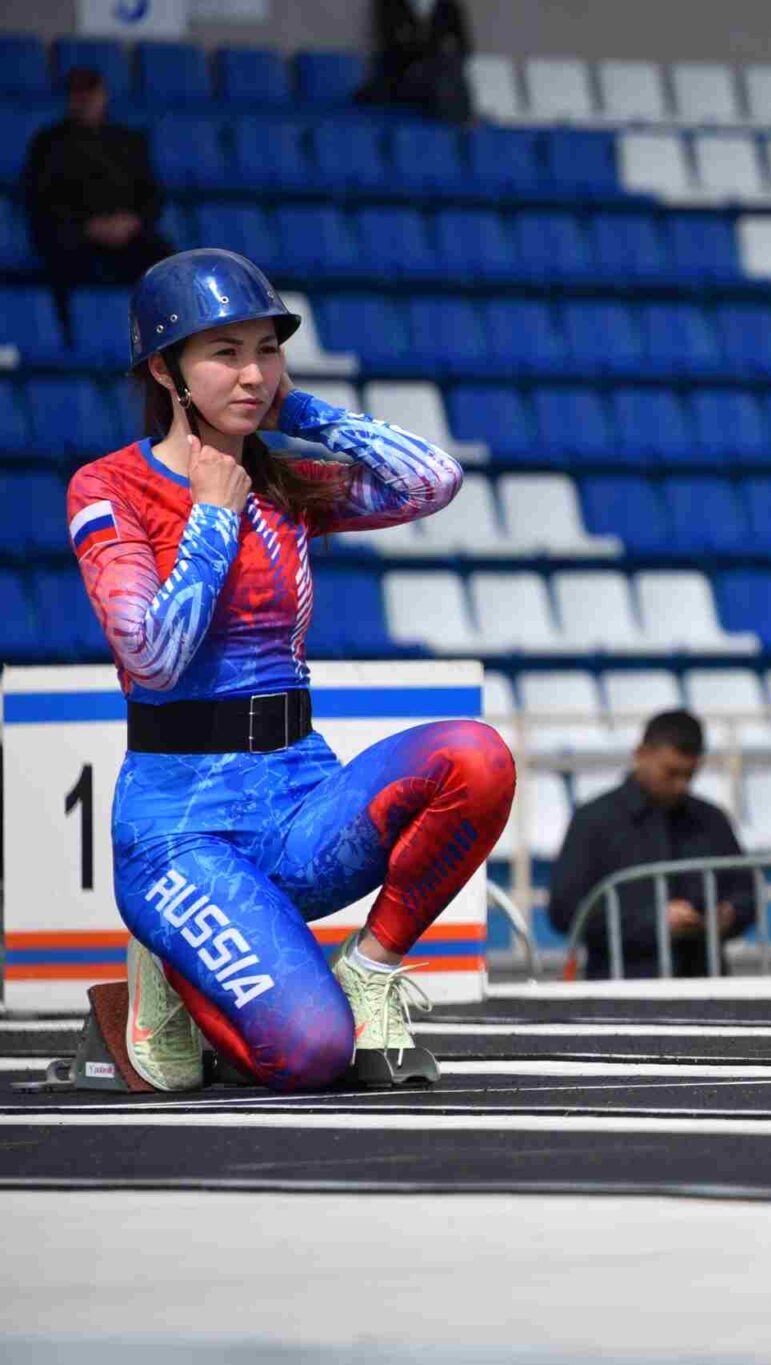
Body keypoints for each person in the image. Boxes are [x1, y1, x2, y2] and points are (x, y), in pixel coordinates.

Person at [72, 248, 513, 1093]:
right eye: (224, 353)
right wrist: (210, 517)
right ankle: (161, 966)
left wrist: (296, 408)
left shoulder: (286, 482)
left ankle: (369, 969)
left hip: (298, 801)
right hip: (181, 833)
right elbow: (151, 657)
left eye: (267, 350)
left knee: (478, 759)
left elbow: (434, 478)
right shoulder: (110, 487)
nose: (252, 373)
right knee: (310, 1054)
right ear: (166, 369)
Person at [546, 710, 757, 979]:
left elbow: (746, 892)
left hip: (703, 987)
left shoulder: (711, 820)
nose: (681, 785)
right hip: (620, 992)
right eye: (671, 773)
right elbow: (565, 911)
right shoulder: (594, 820)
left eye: (690, 775)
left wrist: (728, 915)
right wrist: (653, 923)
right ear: (640, 755)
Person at [21, 68, 174, 290]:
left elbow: (151, 194)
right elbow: (40, 198)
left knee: (167, 266)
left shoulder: (129, 140)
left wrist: (131, 222)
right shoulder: (48, 143)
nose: (87, 100)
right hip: (73, 234)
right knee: (62, 259)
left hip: (128, 233)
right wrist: (88, 226)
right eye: (79, 94)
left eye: (92, 93)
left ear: (103, 95)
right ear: (70, 99)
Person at [354, 0, 473, 124]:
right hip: (401, 77)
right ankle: (456, 127)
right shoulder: (390, 4)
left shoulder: (449, 7)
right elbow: (394, 47)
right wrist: (436, 49)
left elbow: (464, 47)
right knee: (443, 80)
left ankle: (455, 129)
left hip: (438, 75)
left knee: (448, 77)